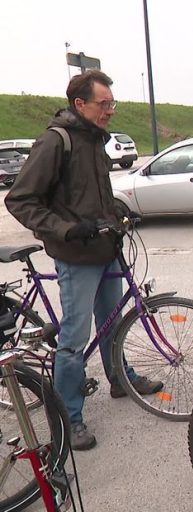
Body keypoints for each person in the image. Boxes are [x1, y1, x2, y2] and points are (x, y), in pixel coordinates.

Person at [5, 71, 163, 450]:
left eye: (112, 103)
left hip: (106, 249)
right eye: (104, 104)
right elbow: (20, 200)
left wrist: (117, 217)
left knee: (112, 323)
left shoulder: (94, 139)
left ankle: (119, 378)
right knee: (73, 342)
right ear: (80, 104)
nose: (110, 110)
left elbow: (94, 195)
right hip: (77, 255)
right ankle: (68, 417)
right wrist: (66, 229)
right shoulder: (56, 141)